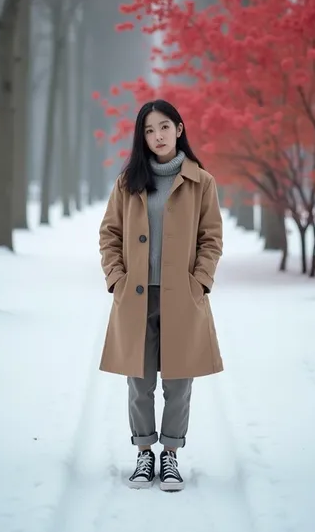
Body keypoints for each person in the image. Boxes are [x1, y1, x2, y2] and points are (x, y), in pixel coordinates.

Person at [99, 99, 223, 492]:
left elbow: (212, 239)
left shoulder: (201, 181)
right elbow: (110, 235)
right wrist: (117, 279)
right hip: (135, 297)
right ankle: (143, 452)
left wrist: (199, 282)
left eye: (164, 127)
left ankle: (170, 455)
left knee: (178, 381)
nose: (157, 136)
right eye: (149, 130)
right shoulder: (127, 182)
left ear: (179, 129)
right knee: (139, 381)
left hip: (182, 297)